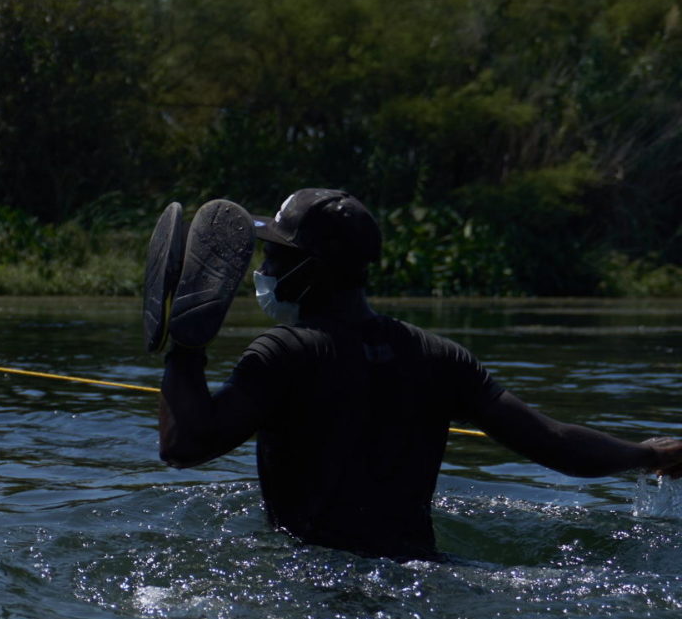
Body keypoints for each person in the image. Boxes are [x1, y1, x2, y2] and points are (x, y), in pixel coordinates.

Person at [159, 187, 682, 560]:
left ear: (311, 269)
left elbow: (185, 444)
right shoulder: (439, 356)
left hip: (310, 577)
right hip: (419, 572)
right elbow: (552, 442)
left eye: (274, 256)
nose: (265, 270)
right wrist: (649, 455)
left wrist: (184, 349)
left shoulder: (284, 352)